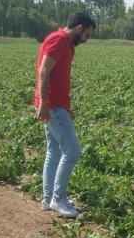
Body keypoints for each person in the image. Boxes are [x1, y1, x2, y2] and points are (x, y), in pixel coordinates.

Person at [35, 12, 96, 218]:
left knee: (55, 151)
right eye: (87, 35)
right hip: (51, 105)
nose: (86, 40)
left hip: (56, 105)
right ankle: (58, 199)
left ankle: (47, 198)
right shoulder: (59, 39)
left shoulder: (65, 44)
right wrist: (44, 104)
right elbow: (44, 71)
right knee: (72, 151)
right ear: (79, 28)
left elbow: (57, 77)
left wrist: (65, 106)